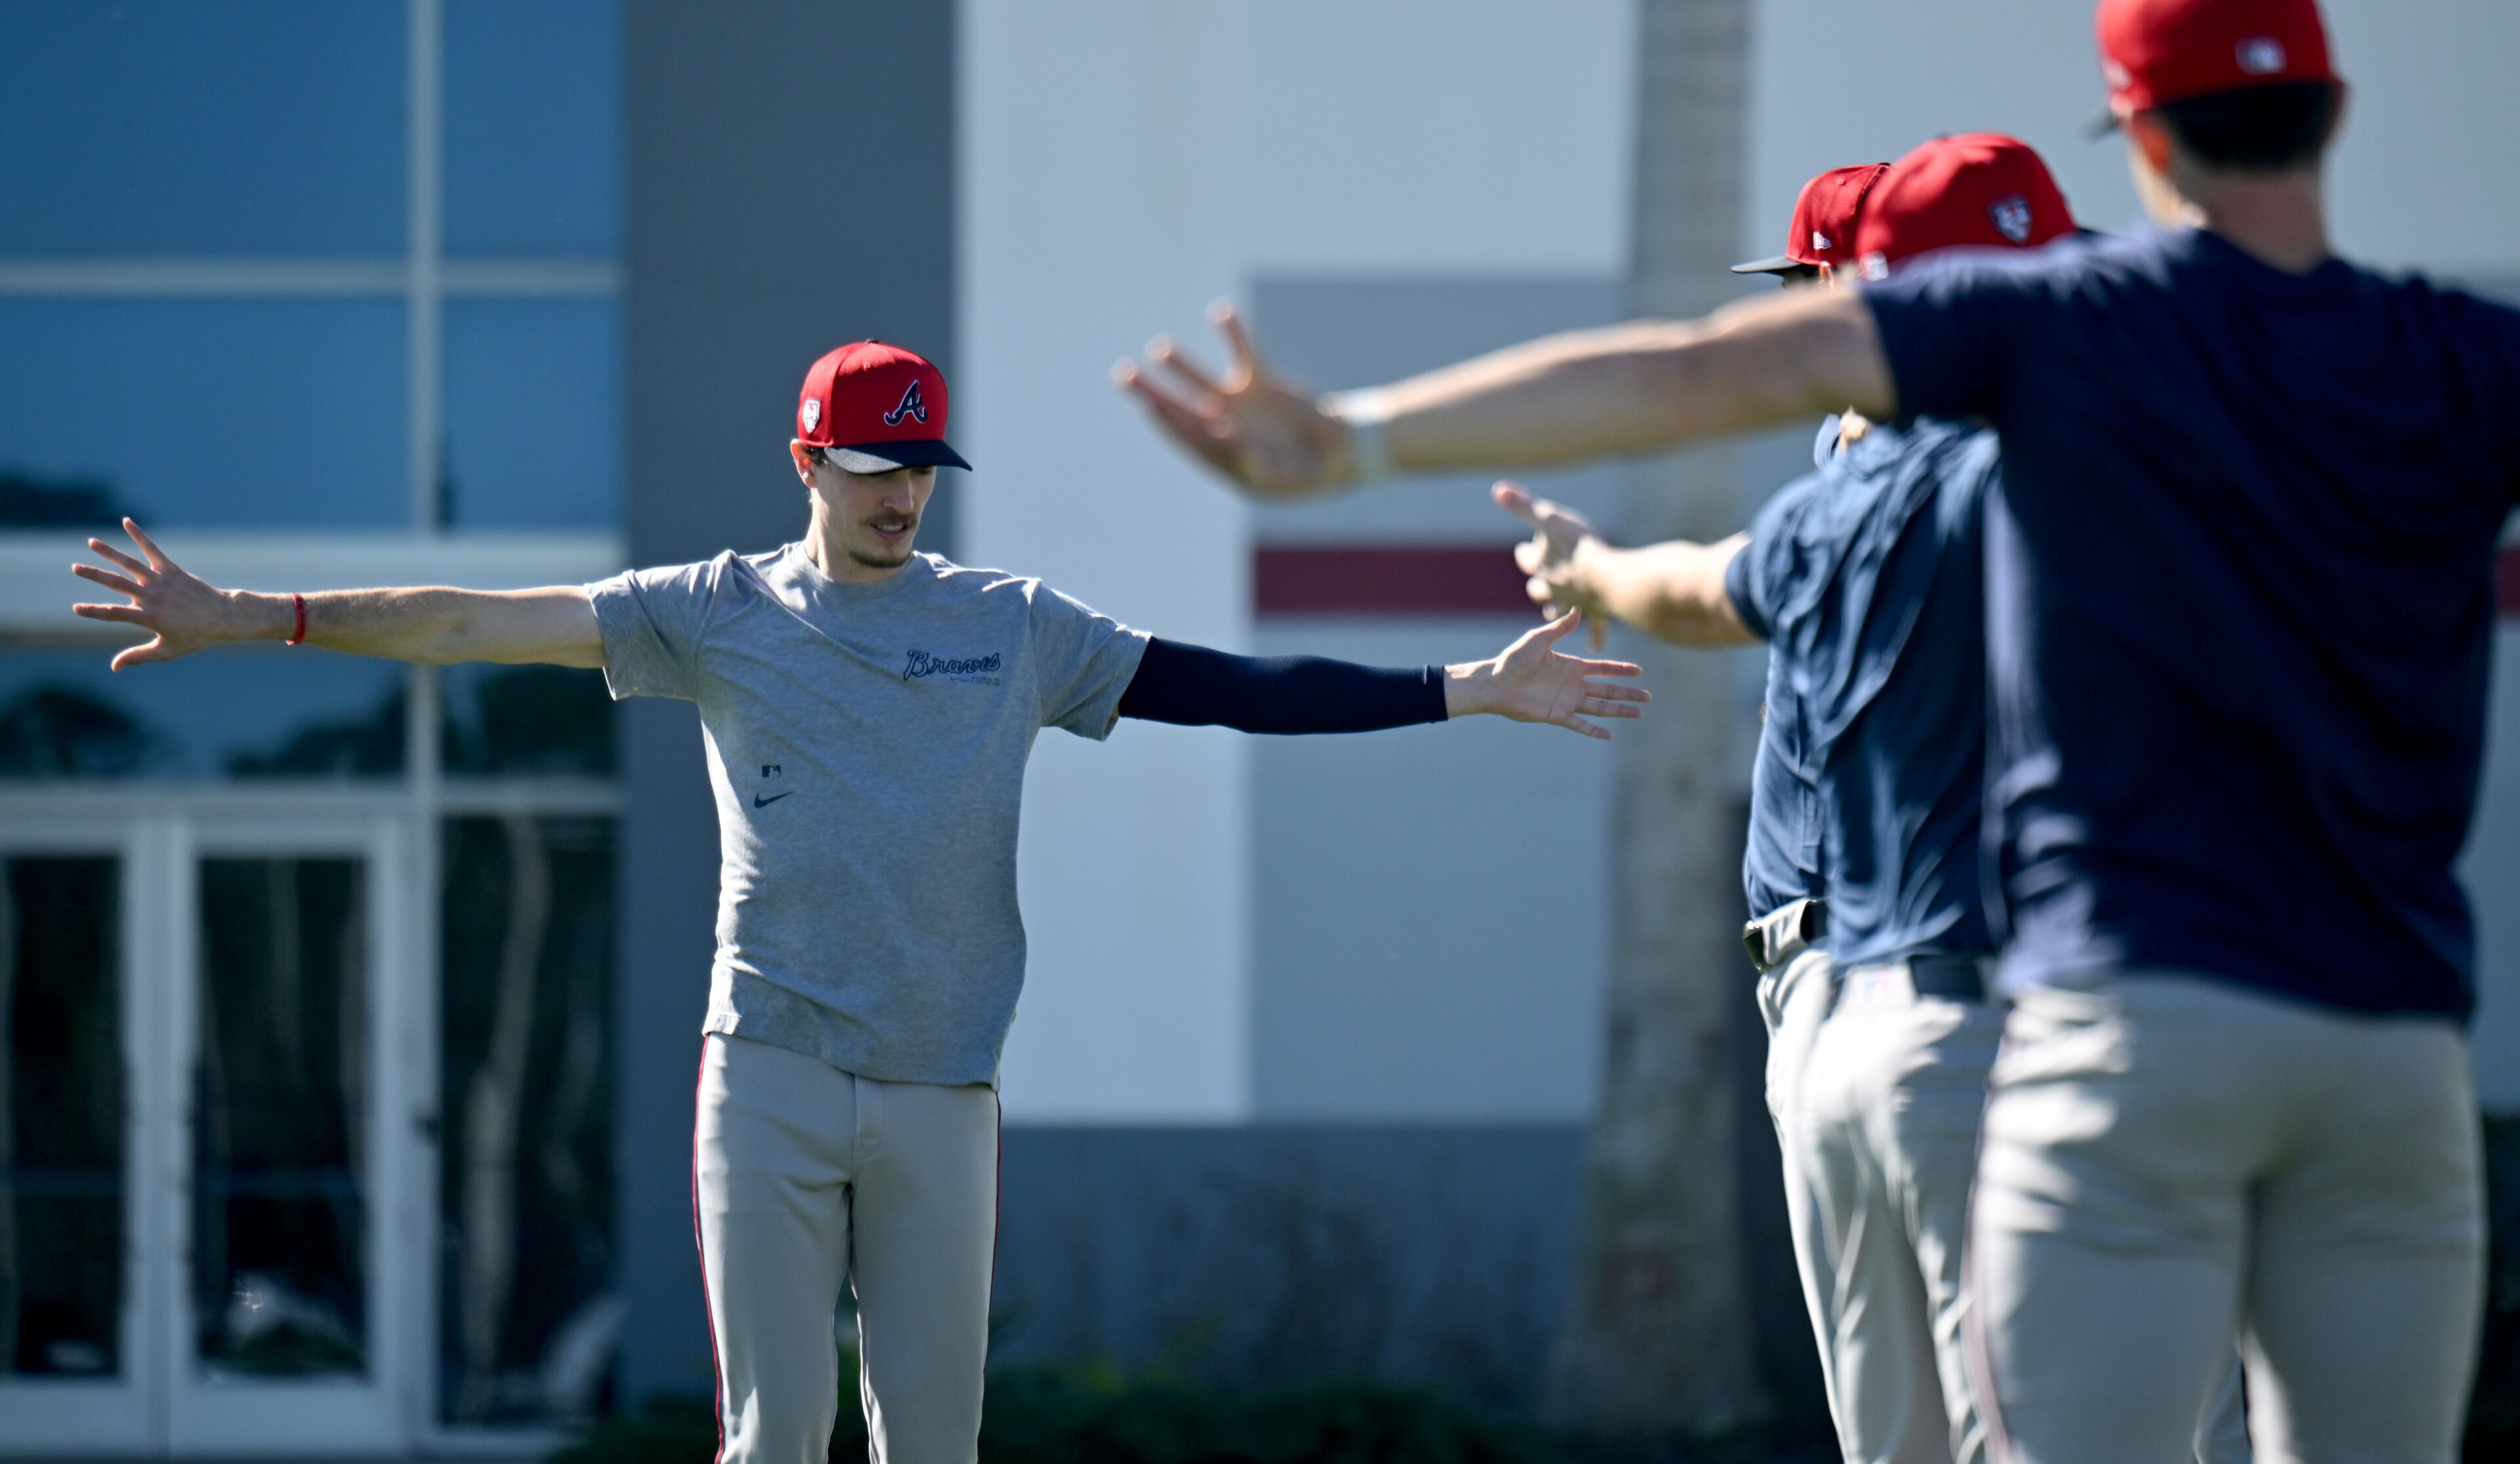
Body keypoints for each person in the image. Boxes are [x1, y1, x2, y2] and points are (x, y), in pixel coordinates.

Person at [1118, 0, 2515, 1461]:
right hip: (2394, 1046)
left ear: (2146, 134)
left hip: (2135, 1019)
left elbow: (1689, 378)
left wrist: (1362, 438)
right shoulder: (2461, 352)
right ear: (2337, 111)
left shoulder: (2066, 328)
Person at [68, 340, 1650, 1464]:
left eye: (926, 466)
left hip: (941, 1086)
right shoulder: (707, 615)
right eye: (878, 465)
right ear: (812, 460)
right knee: (774, 1436)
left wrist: (1465, 689)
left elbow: (1228, 685)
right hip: (763, 1070)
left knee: (934, 1444)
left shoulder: (1014, 626)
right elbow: (472, 619)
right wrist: (259, 617)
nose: (906, 495)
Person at [1505, 136, 2248, 1464]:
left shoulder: (1988, 468)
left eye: (1817, 283)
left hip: (1988, 1002)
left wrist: (1588, 562)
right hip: (1864, 990)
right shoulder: (1869, 487)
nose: (1800, 313)